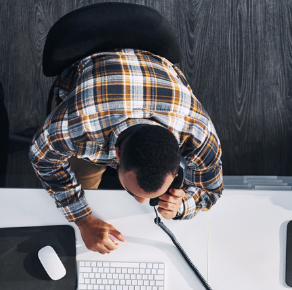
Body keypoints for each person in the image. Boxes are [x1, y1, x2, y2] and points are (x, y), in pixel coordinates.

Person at [30, 49, 223, 254]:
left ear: (180, 165)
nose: (142, 202)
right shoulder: (78, 124)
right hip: (91, 77)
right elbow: (43, 159)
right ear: (117, 155)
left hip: (155, 74)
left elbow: (211, 190)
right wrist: (84, 221)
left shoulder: (198, 135)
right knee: (82, 186)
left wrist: (183, 205)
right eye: (132, 191)